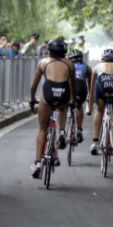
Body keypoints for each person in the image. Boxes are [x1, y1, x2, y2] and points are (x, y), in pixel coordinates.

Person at [29, 39, 75, 178]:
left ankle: (37, 163)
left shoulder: (43, 62)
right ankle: (61, 131)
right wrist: (72, 100)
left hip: (48, 92)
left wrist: (32, 99)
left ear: (49, 51)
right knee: (62, 108)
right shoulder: (69, 64)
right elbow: (73, 87)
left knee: (42, 129)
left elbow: (34, 85)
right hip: (63, 92)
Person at [88, 48, 113, 155]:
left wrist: (90, 107)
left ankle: (95, 142)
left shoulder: (97, 67)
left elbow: (92, 90)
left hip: (102, 87)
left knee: (99, 111)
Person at [69, 49, 92, 143]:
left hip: (69, 88)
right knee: (79, 106)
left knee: (65, 106)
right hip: (81, 88)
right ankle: (79, 129)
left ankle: (63, 131)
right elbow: (90, 85)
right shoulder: (87, 67)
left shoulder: (67, 66)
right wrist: (89, 97)